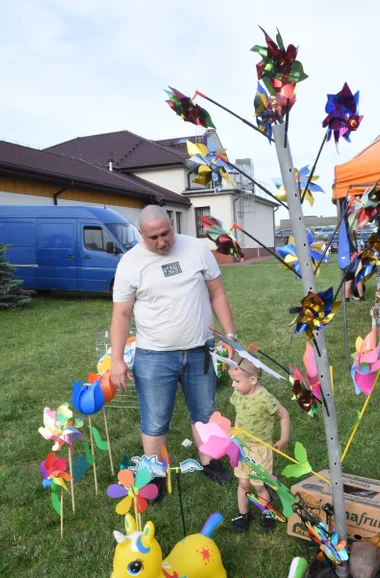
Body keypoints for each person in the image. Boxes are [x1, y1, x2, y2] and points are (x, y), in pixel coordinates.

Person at [110, 205, 236, 485]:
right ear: (141, 233)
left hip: (199, 350)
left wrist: (229, 335)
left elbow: (217, 293)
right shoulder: (130, 263)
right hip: (153, 356)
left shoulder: (198, 249)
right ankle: (155, 474)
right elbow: (121, 314)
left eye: (165, 233)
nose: (162, 241)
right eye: (153, 237)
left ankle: (210, 462)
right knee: (155, 420)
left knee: (204, 412)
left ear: (171, 223)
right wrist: (117, 359)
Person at [229, 356, 290, 533]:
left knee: (259, 485)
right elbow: (238, 414)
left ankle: (267, 512)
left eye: (237, 381)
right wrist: (234, 434)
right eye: (232, 380)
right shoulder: (238, 394)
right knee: (243, 483)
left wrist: (283, 438)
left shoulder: (265, 398)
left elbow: (284, 415)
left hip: (259, 449)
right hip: (241, 447)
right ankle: (242, 514)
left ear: (253, 380)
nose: (233, 385)